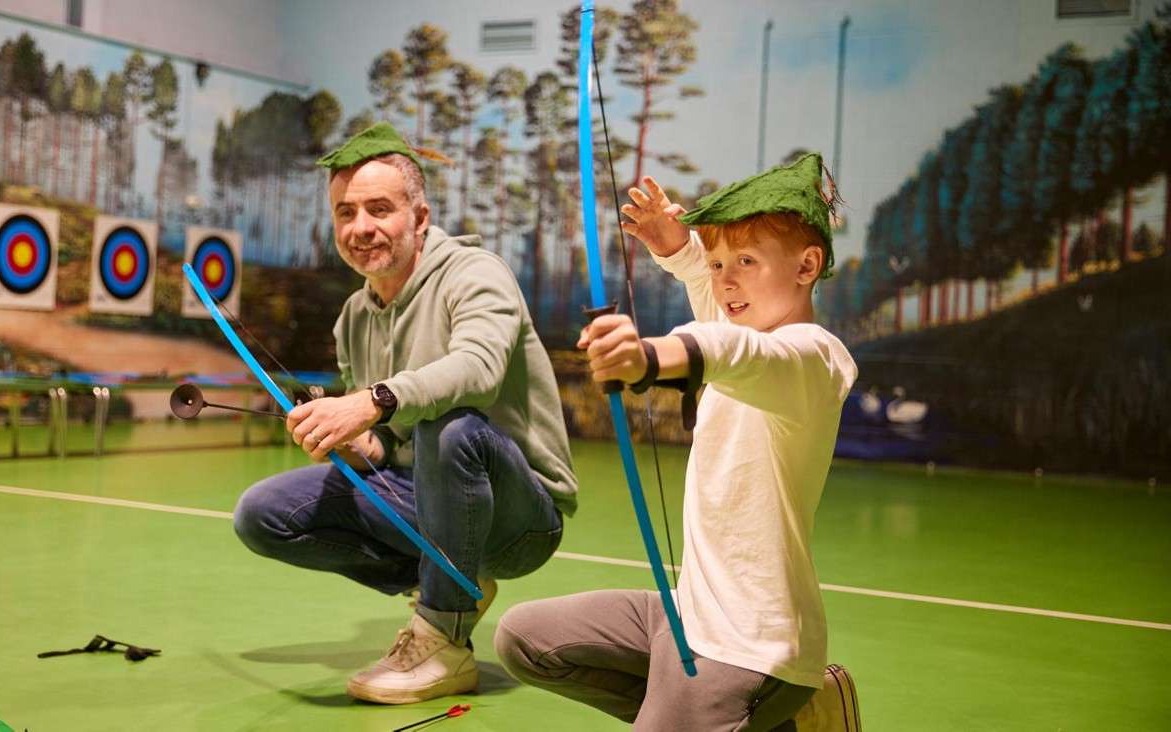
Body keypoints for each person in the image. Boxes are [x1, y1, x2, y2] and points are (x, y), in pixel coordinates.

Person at [495, 153, 858, 730]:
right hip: (685, 615)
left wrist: (646, 357)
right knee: (523, 638)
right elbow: (714, 304)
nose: (726, 278)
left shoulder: (813, 358)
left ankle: (774, 708)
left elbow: (730, 350)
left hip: (749, 648)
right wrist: (679, 248)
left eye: (745, 260)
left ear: (807, 265)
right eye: (719, 264)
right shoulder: (744, 318)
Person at [233, 122, 578, 705]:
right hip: (424, 497)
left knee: (452, 426)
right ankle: (446, 586)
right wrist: (351, 440)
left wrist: (371, 401)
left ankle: (444, 635)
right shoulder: (354, 316)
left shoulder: (475, 273)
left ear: (419, 218)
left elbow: (477, 367)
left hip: (519, 520)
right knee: (261, 514)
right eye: (345, 213)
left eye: (379, 209)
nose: (360, 228)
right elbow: (387, 450)